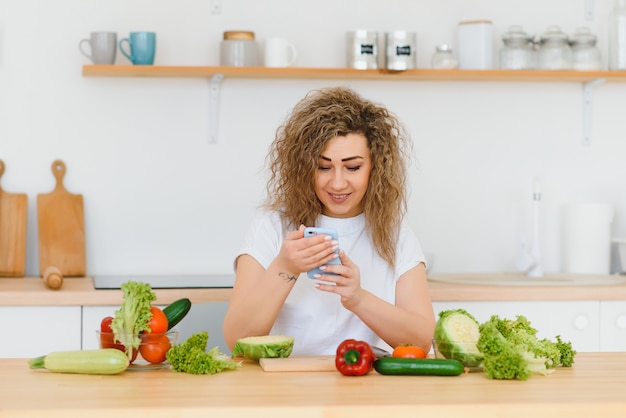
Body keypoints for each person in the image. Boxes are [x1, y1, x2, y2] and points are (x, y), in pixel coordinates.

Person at [222, 86, 435, 355]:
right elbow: (236, 340)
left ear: (375, 167)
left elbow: (422, 340)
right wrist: (285, 267)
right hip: (282, 387)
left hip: (363, 384)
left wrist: (358, 299)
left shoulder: (396, 236)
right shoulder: (271, 226)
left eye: (353, 167)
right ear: (304, 167)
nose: (337, 182)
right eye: (323, 167)